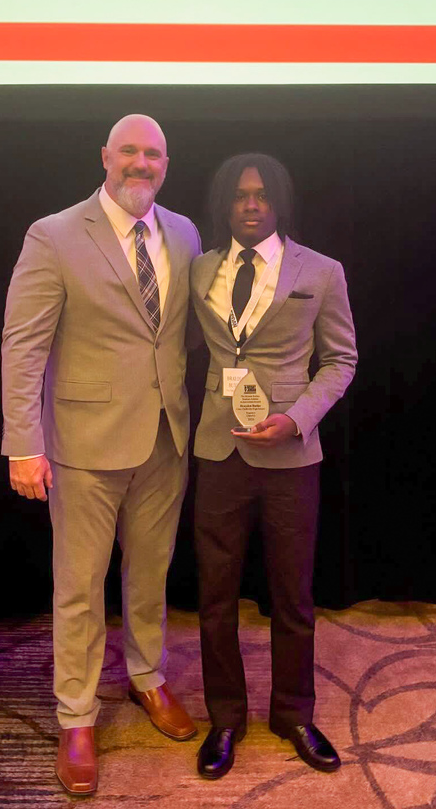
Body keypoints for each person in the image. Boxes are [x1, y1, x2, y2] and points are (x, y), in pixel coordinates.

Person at [1, 114, 202, 796]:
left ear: (165, 164)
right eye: (129, 152)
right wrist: (22, 445)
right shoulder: (53, 235)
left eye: (153, 153)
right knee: (80, 588)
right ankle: (77, 716)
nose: (140, 163)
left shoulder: (184, 233)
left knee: (151, 574)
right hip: (83, 446)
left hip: (165, 439)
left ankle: (148, 677)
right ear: (104, 158)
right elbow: (23, 346)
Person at [190, 153, 357, 780]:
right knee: (215, 595)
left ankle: (293, 714)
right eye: (239, 196)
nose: (251, 205)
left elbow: (341, 360)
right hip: (218, 450)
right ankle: (225, 717)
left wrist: (297, 417)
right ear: (224, 205)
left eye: (261, 195)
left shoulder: (324, 271)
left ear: (278, 201)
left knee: (292, 596)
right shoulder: (198, 269)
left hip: (290, 454)